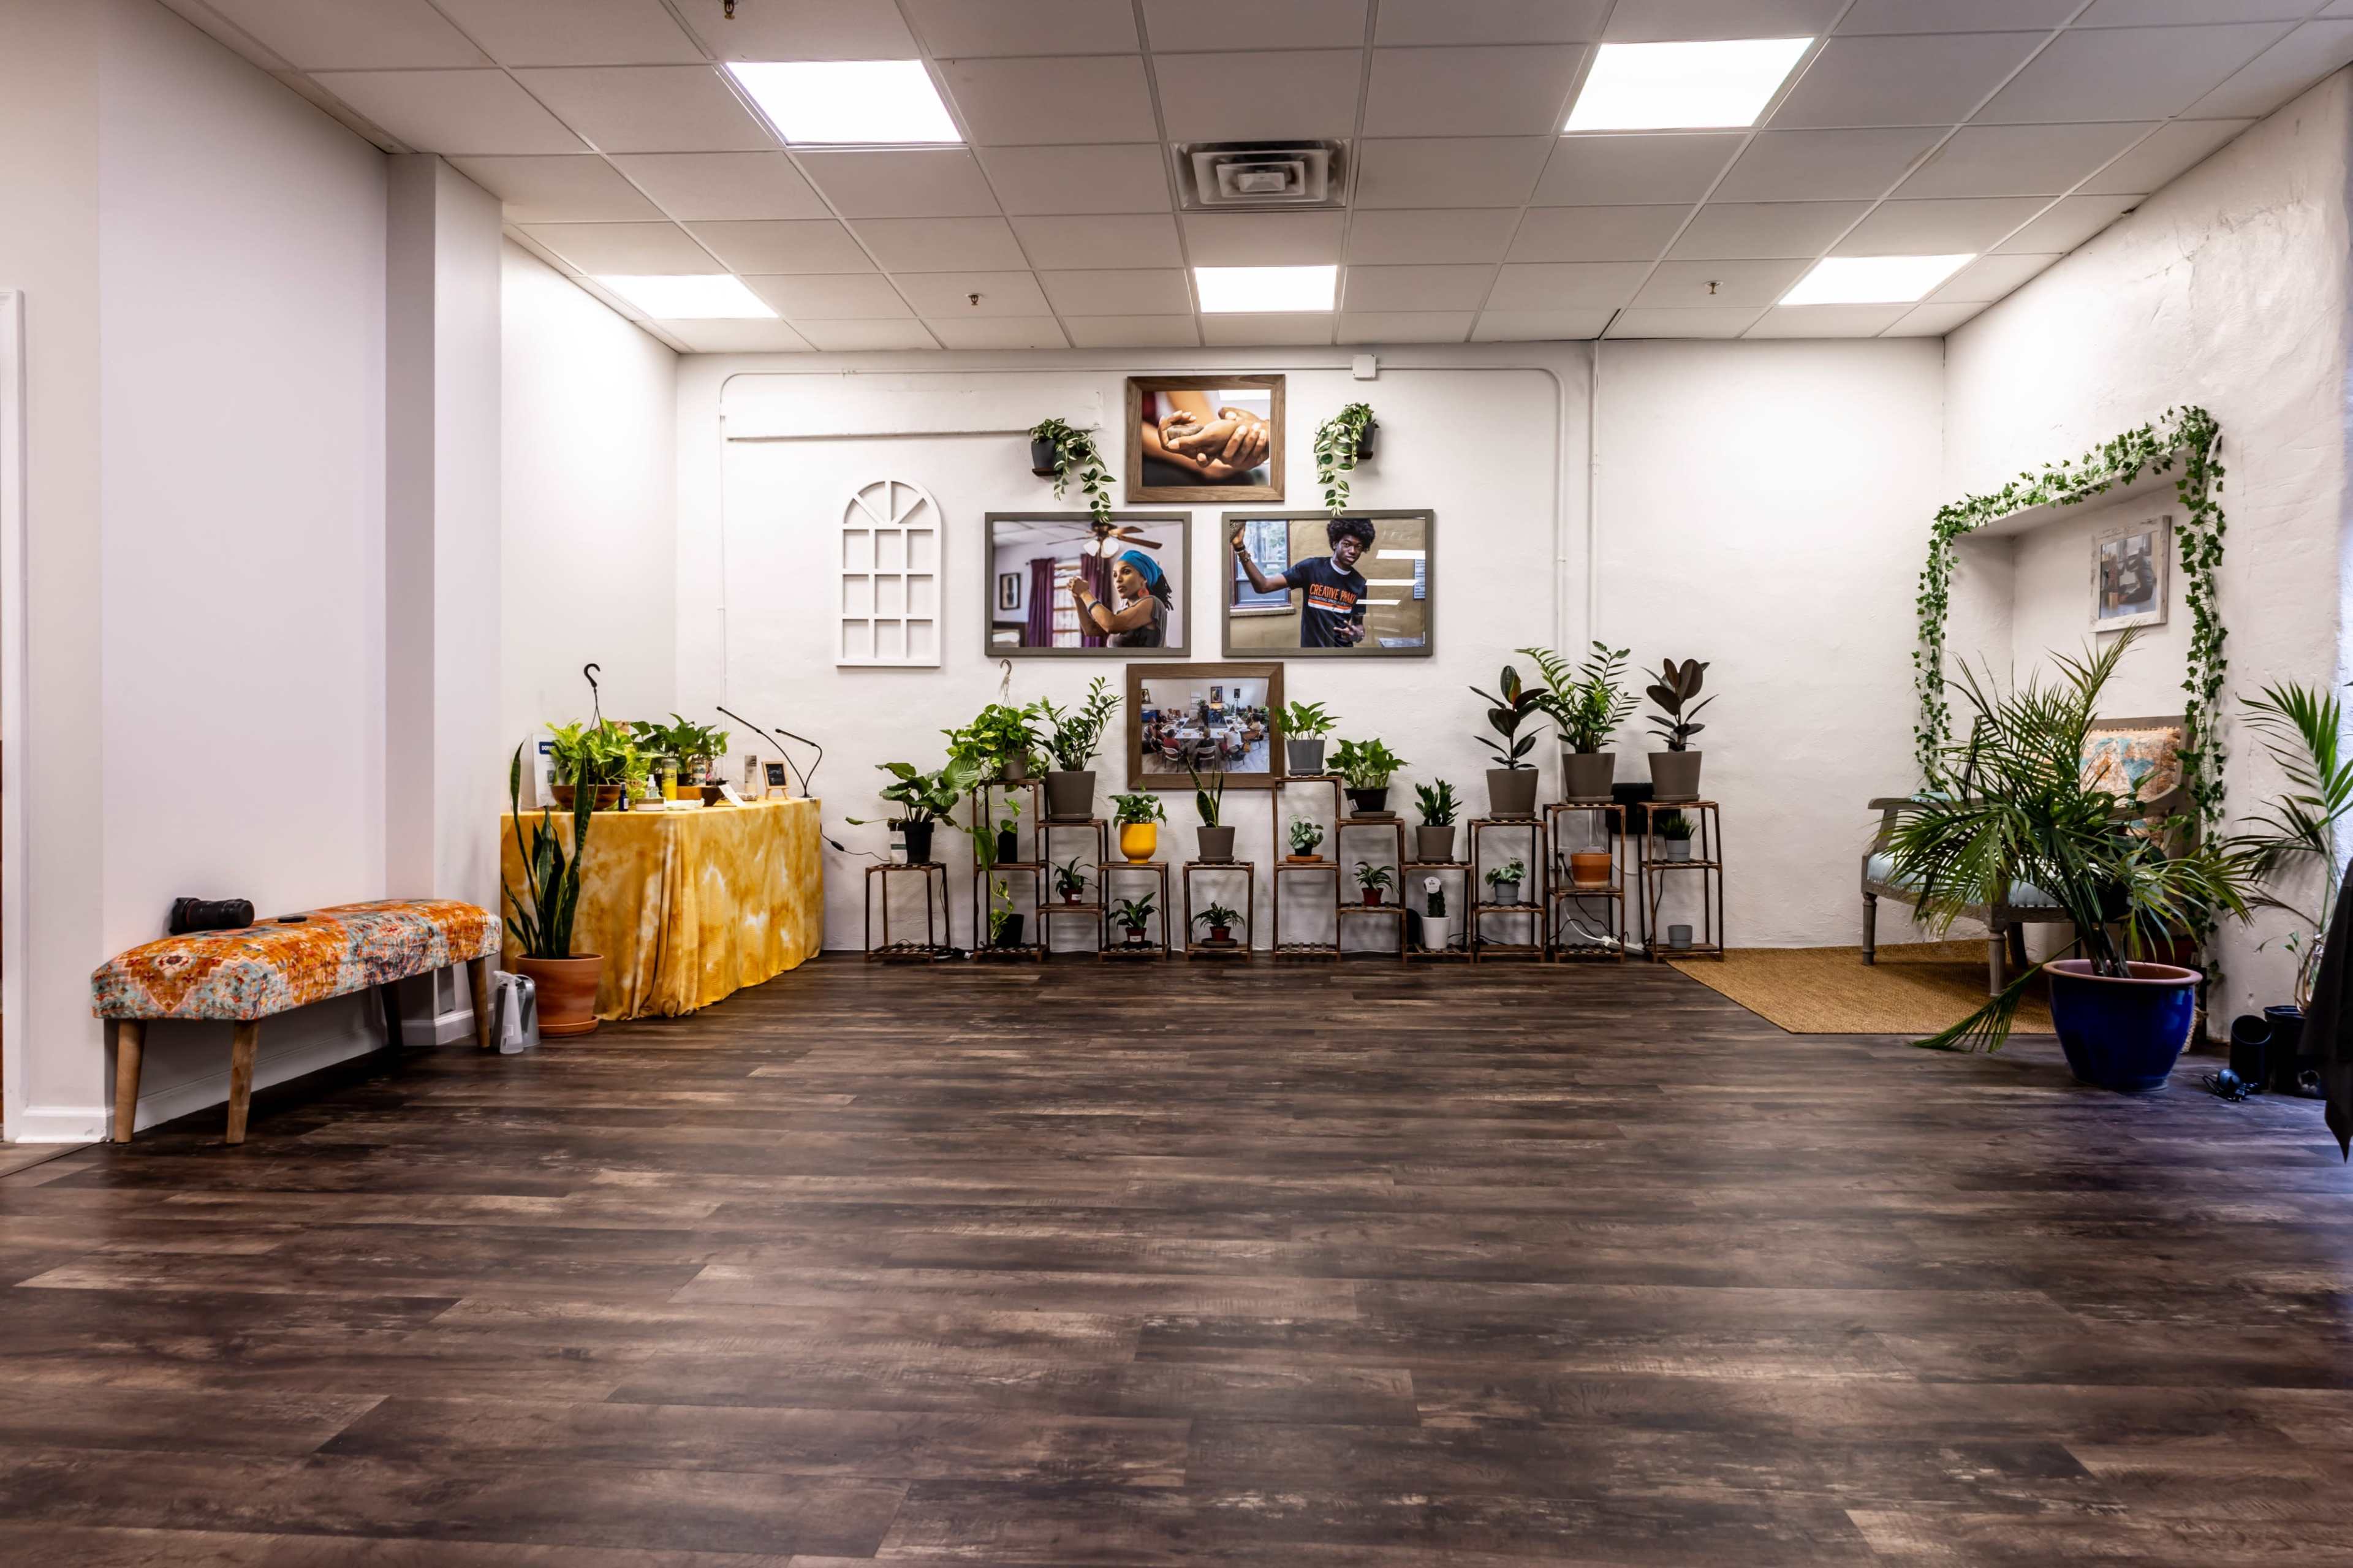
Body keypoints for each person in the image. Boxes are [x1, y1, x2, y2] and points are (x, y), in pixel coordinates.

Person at [1231, 517, 1374, 648]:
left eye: (1359, 547)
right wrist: (1240, 547)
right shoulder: (1311, 568)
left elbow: (1358, 626)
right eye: (1347, 544)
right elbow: (1264, 586)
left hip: (1342, 657)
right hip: (1311, 657)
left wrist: (1357, 635)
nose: (1353, 551)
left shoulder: (1360, 584)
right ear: (1336, 543)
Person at [1140, 390, 1270, 485]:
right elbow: (1134, 431)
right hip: (1140, 451)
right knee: (1175, 481)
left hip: (1171, 440)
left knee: (1237, 480)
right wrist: (1195, 457)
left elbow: (1203, 422)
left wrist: (1217, 440)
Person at [1069, 549, 1170, 648]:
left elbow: (1111, 624)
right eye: (1115, 575)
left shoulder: (1152, 603)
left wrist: (1085, 593)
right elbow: (1091, 629)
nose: (1118, 579)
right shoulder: (1123, 613)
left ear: (1144, 578)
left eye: (1126, 572)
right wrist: (1078, 597)